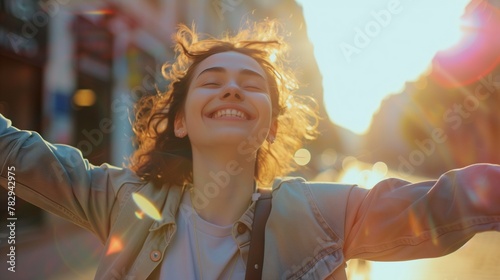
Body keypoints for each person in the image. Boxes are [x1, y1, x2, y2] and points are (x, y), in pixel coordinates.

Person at [1, 20, 499, 280]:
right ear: (179, 121)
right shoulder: (121, 199)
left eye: (251, 85)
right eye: (211, 82)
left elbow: (445, 203)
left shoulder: (320, 213)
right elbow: (17, 153)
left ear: (269, 125)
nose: (232, 90)